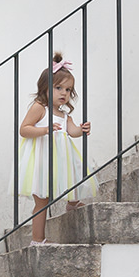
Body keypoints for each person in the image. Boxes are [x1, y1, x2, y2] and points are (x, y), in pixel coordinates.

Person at [17, 53, 91, 243]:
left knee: (73, 179)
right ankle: (38, 239)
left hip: (61, 161)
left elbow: (72, 131)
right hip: (42, 160)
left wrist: (81, 130)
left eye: (68, 89)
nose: (64, 93)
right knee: (42, 200)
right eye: (58, 88)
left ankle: (72, 204)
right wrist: (44, 129)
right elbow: (24, 130)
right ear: (45, 87)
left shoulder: (65, 115)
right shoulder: (40, 108)